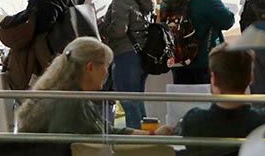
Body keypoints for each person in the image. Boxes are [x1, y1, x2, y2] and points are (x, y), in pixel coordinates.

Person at [16, 37, 170, 136]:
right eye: (105, 65)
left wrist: (153, 135)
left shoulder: (63, 95)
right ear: (90, 67)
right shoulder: (73, 103)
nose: (106, 71)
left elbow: (106, 131)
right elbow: (103, 135)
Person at [98, 0, 156, 129]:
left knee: (129, 103)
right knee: (138, 101)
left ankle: (135, 145)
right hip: (143, 51)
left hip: (125, 53)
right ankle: (145, 139)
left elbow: (118, 29)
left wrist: (101, 27)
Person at [160, 0, 235, 84]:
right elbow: (227, 21)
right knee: (204, 101)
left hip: (177, 60)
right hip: (203, 60)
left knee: (183, 101)